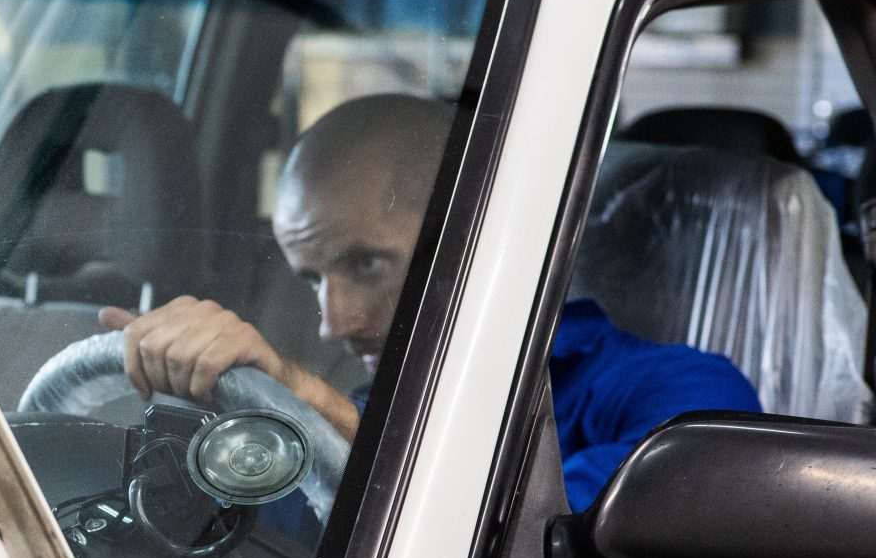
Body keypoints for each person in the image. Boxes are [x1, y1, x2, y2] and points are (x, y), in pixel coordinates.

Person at [102, 92, 761, 511]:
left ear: (480, 236)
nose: (335, 323)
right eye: (313, 279)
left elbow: (528, 542)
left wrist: (305, 400)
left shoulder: (686, 394)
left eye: (365, 264)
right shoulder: (373, 413)